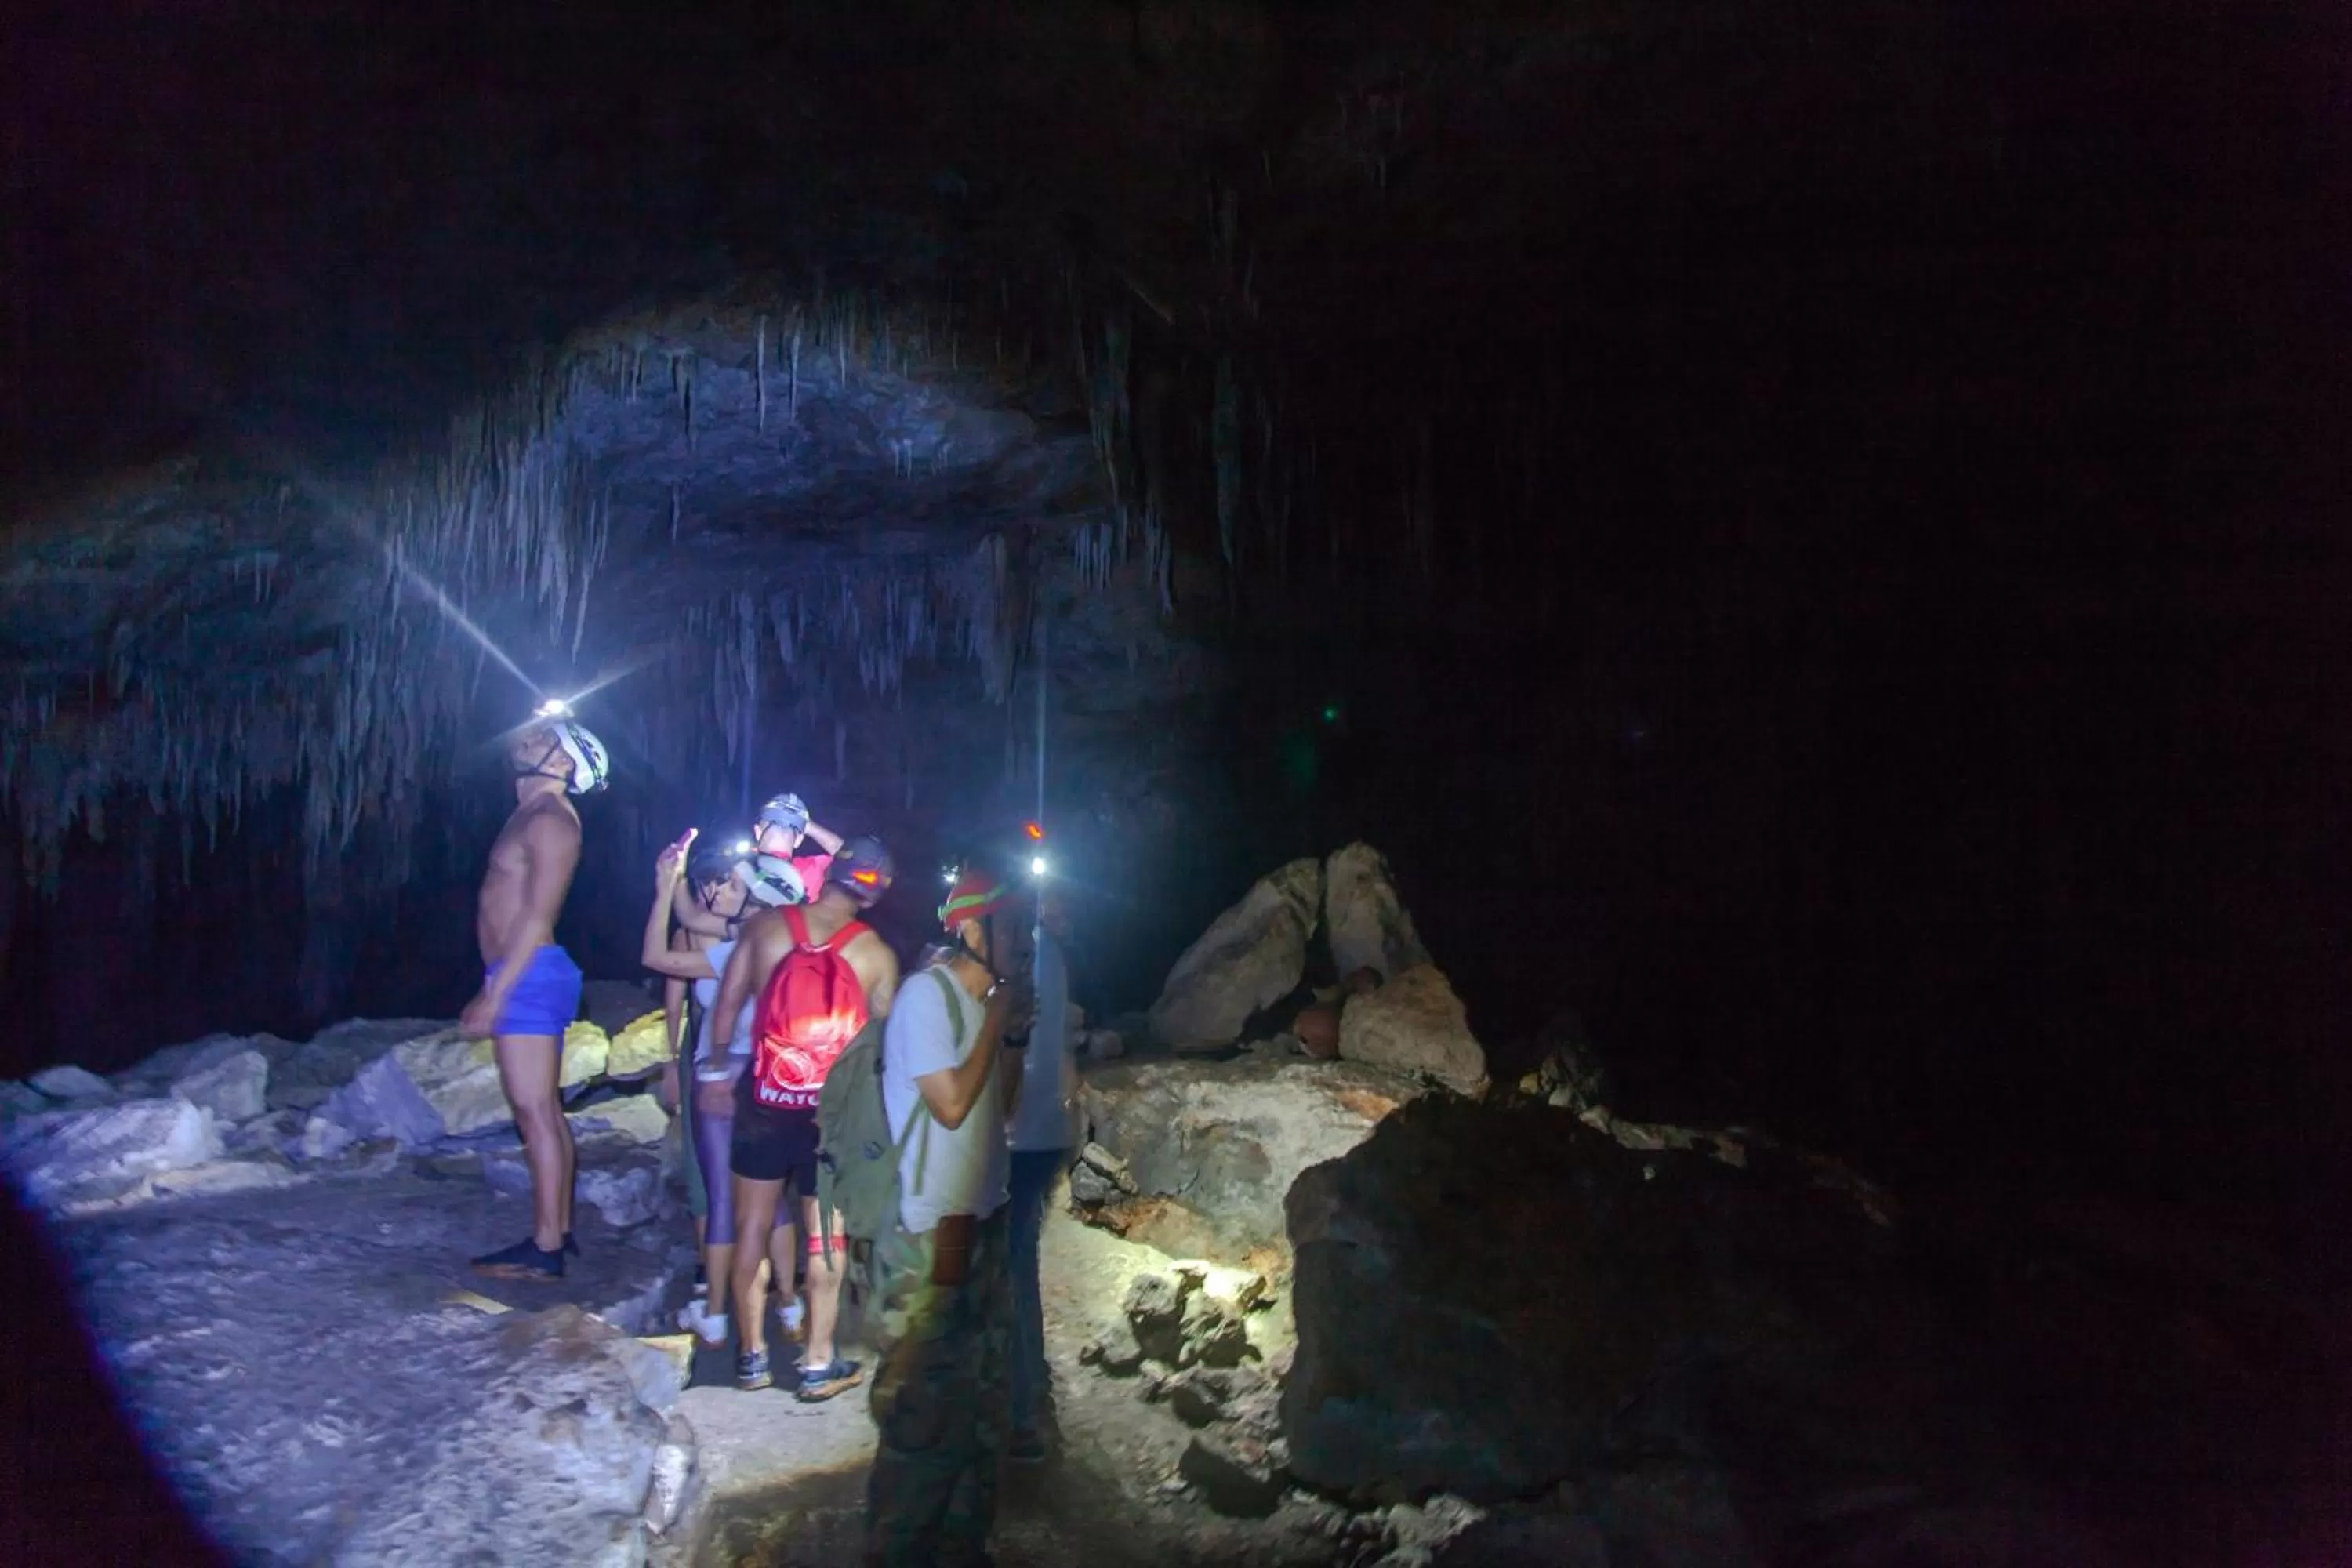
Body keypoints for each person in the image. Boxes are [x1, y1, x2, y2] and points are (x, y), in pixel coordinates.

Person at [864, 864, 1033, 1566]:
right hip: (930, 1240)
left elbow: (1005, 1107)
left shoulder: (988, 1003)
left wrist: (1016, 1035)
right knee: (921, 1414)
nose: (1023, 941)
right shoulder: (925, 1000)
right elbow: (952, 1104)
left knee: (982, 1406)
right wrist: (1000, 1015)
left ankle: (964, 1548)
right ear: (971, 929)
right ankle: (895, 1554)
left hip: (982, 1223)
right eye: (1012, 927)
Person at [709, 835, 901, 1396]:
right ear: (875, 893)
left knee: (752, 1226)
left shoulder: (766, 929)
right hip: (833, 1115)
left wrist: (719, 1071)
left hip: (767, 1100)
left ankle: (752, 1357)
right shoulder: (876, 955)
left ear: (830, 873)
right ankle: (818, 1363)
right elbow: (884, 1050)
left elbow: (725, 1011)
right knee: (827, 1238)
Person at [461, 708, 608, 1279]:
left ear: (567, 763)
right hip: (523, 973)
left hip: (528, 975)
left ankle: (545, 1247)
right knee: (543, 1109)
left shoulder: (551, 820)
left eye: (547, 738)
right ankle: (560, 1230)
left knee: (532, 1111)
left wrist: (498, 993)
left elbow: (537, 913)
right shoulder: (533, 814)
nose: (529, 739)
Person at [641, 837, 804, 1347]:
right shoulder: (782, 942)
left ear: (754, 899)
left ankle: (714, 1312)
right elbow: (697, 915)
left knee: (720, 1193)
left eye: (734, 885)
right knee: (771, 1197)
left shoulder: (736, 952)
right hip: (768, 1077)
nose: (723, 890)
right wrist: (677, 874)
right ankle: (790, 1303)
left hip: (721, 1080)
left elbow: (656, 956)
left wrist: (664, 888)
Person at [999, 882, 1078, 1464]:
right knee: (1012, 1264)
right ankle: (1022, 1404)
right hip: (1042, 1130)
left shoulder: (1014, 951)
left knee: (1009, 1266)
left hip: (1012, 1136)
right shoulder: (1049, 944)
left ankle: (1026, 1410)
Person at [673, 792, 844, 938]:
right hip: (789, 954)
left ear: (757, 831)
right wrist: (805, 824)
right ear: (799, 839)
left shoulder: (737, 865)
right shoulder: (814, 868)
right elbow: (849, 854)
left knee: (686, 935)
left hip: (745, 949)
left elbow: (696, 914)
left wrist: (674, 875)